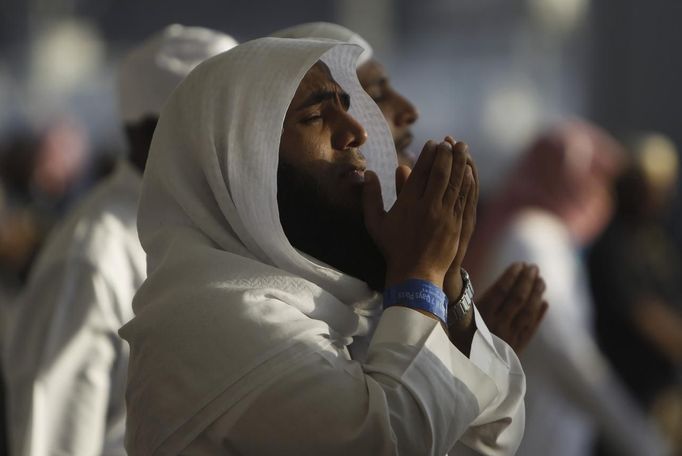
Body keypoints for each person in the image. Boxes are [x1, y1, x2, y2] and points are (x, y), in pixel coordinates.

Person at [119, 37, 526, 455]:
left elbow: (487, 440)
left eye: (346, 108)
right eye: (314, 115)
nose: (357, 132)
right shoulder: (213, 320)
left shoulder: (343, 310)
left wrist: (448, 286)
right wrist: (419, 274)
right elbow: (391, 443)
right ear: (241, 165)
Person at [2, 25, 237, 456]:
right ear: (164, 128)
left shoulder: (196, 232)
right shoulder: (93, 256)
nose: (242, 138)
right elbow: (52, 442)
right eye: (224, 118)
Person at [272, 22, 548, 354]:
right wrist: (424, 274)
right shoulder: (268, 316)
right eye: (374, 94)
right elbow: (395, 405)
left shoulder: (372, 268)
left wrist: (460, 318)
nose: (410, 111)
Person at [469, 120, 669, 456]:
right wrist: (642, 440)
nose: (601, 194)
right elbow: (566, 354)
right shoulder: (533, 238)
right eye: (595, 179)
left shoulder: (554, 241)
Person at [589, 133, 682, 453]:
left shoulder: (655, 241)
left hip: (659, 391)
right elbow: (641, 312)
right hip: (624, 393)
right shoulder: (613, 245)